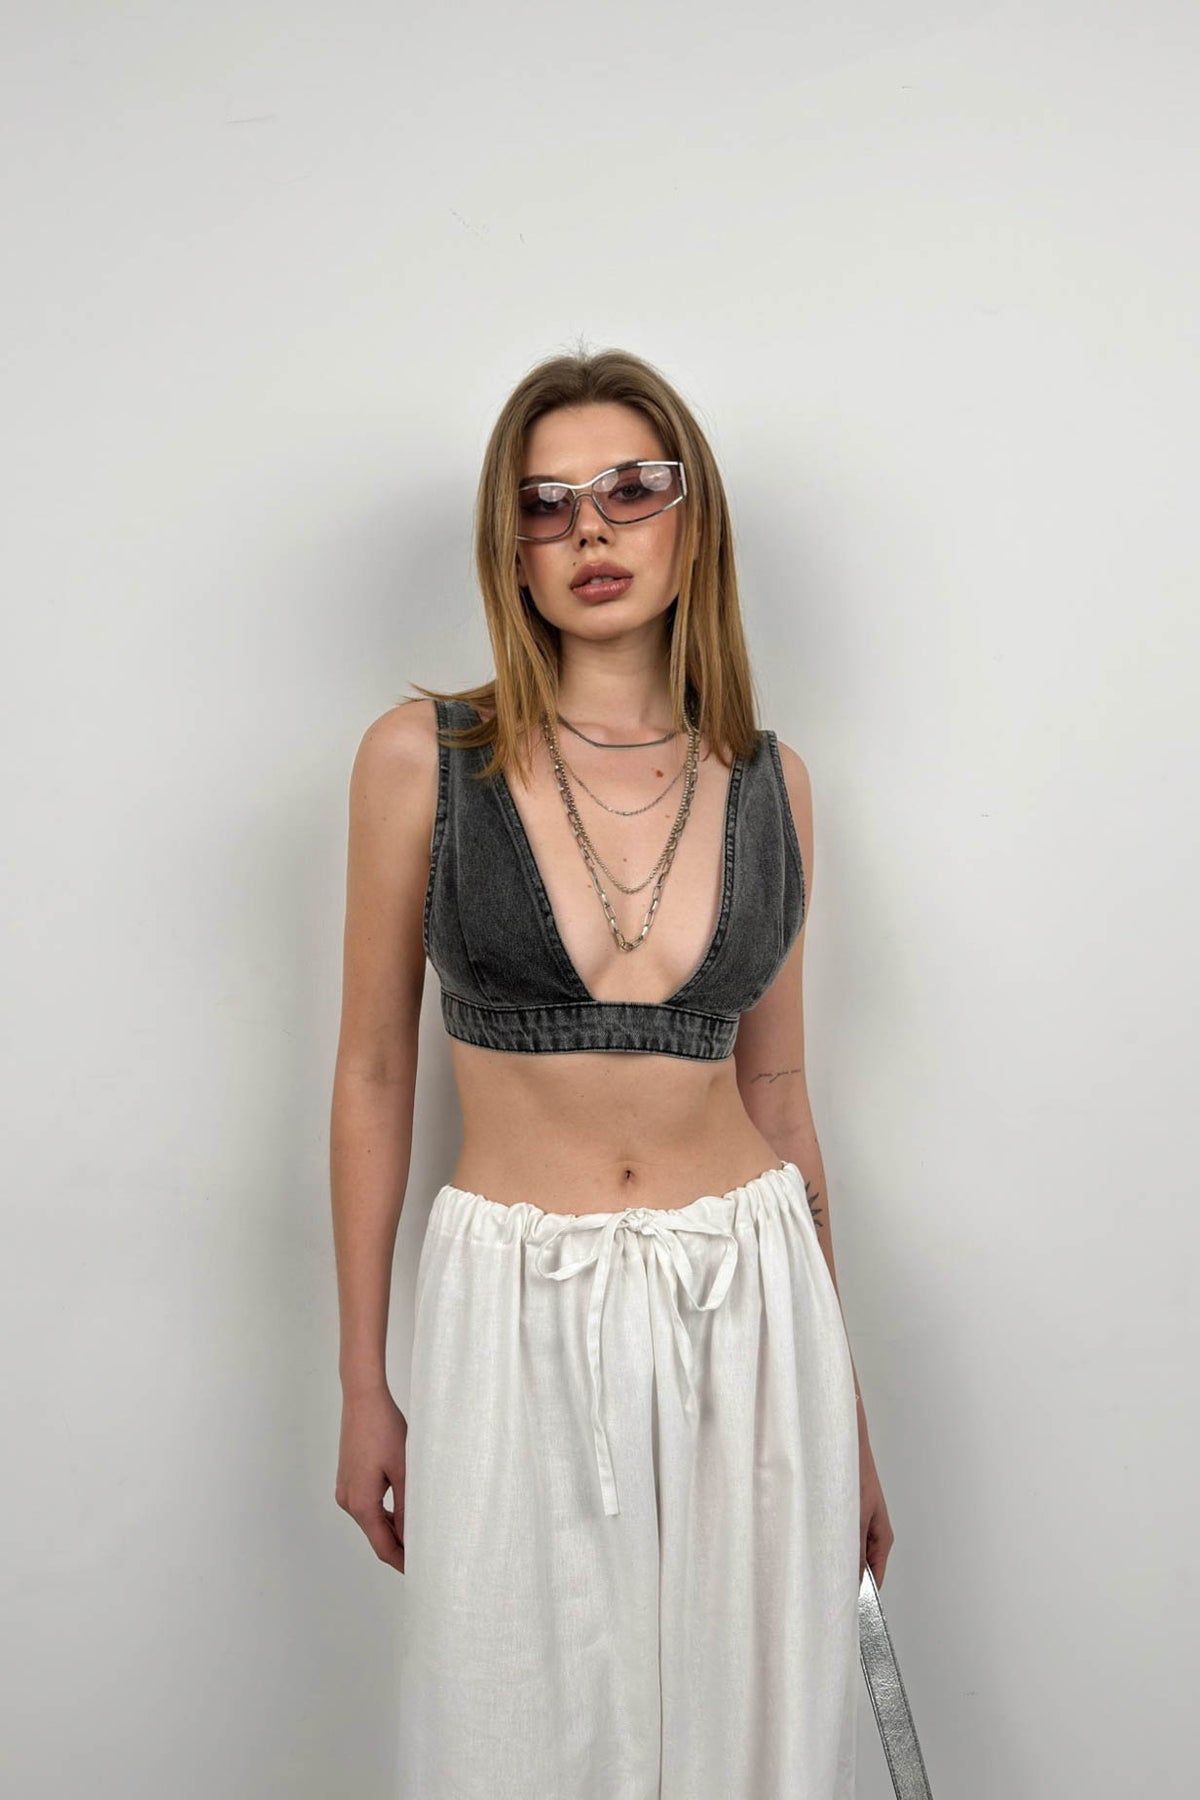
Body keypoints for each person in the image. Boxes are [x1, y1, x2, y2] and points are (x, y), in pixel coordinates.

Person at [330, 347, 894, 1799]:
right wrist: (362, 1381)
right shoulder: (422, 760)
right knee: (514, 1732)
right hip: (512, 1299)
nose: (590, 528)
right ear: (508, 546)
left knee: (751, 1735)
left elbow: (778, 1099)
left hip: (750, 1298)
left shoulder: (771, 782)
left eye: (632, 489)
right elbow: (376, 1071)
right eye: (546, 502)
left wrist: (845, 1409)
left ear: (693, 521)